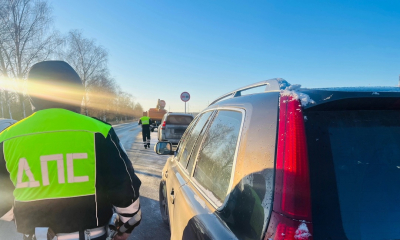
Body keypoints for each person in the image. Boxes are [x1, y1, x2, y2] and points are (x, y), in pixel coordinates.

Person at [0, 61, 142, 240]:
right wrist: (126, 228)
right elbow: (125, 190)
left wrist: (23, 218)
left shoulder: (6, 138)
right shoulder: (99, 131)